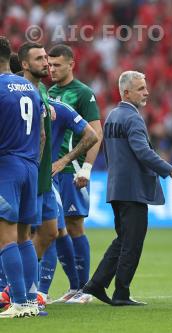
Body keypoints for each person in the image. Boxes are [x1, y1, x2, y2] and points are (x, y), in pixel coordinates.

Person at [82, 71, 172, 306]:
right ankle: (121, 294)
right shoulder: (133, 118)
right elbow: (143, 152)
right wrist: (171, 171)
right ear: (126, 92)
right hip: (133, 190)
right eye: (140, 88)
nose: (146, 92)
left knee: (123, 239)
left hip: (117, 187)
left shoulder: (112, 116)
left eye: (145, 87)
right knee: (132, 242)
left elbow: (111, 153)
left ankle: (97, 284)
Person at [47, 44, 103, 303]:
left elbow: (96, 134)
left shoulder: (84, 93)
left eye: (57, 65)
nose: (52, 69)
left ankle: (86, 289)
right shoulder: (49, 92)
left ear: (71, 64)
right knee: (56, 228)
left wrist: (88, 169)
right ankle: (74, 286)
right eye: (49, 64)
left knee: (74, 225)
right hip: (51, 170)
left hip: (72, 169)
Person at [0, 36, 43, 318]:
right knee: (25, 236)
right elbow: (41, 134)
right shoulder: (30, 87)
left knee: (6, 238)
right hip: (30, 166)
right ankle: (30, 301)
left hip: (7, 166)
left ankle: (17, 302)